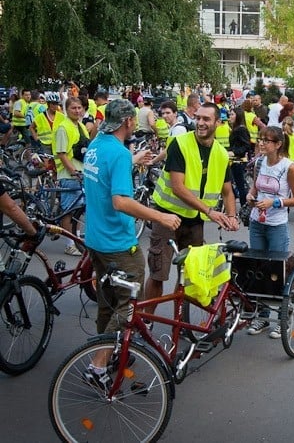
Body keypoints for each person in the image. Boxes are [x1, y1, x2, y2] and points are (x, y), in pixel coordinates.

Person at [81, 99, 181, 391]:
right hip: (119, 244)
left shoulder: (97, 145)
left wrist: (134, 161)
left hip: (96, 240)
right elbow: (121, 201)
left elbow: (104, 176)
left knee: (107, 301)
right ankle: (98, 364)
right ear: (127, 122)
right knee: (127, 305)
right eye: (133, 119)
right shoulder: (119, 154)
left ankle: (105, 351)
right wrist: (160, 215)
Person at [144, 103, 239, 316]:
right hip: (167, 215)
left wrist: (232, 216)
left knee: (193, 275)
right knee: (158, 273)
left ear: (217, 123)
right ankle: (145, 322)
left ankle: (182, 322)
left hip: (194, 221)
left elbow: (227, 191)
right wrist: (210, 211)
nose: (201, 123)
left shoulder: (222, 154)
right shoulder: (180, 143)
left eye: (206, 119)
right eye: (198, 118)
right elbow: (178, 186)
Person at [245, 126, 294, 338]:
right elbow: (255, 187)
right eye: (260, 139)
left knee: (278, 272)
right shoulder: (259, 162)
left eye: (266, 141)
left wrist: (275, 202)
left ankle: (283, 318)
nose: (261, 143)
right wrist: (250, 197)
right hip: (256, 223)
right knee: (257, 269)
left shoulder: (289, 167)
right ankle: (262, 316)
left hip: (277, 225)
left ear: (278, 144)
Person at [51, 96, 89, 256]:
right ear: (67, 110)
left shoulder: (80, 125)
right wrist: (73, 171)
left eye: (79, 108)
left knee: (78, 209)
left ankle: (76, 239)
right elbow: (62, 154)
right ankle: (69, 243)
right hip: (69, 175)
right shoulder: (63, 127)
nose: (77, 111)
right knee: (69, 210)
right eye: (73, 108)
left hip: (81, 174)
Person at [228, 107, 252, 203]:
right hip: (234, 160)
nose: (230, 116)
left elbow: (246, 145)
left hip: (238, 161)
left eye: (232, 114)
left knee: (240, 185)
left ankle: (244, 207)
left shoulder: (241, 129)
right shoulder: (236, 128)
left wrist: (234, 152)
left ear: (238, 116)